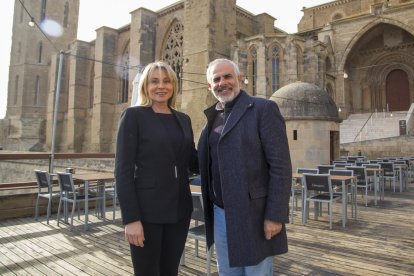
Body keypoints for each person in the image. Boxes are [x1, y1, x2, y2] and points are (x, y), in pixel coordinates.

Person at [198, 58, 292, 275]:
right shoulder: (212, 117)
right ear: (210, 86)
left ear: (240, 79)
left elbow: (280, 167)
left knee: (256, 272)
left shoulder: (263, 109)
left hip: (254, 215)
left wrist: (275, 215)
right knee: (228, 272)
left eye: (227, 76)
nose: (222, 82)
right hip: (220, 213)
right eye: (216, 79)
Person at [115, 61, 198, 276]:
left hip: (179, 210)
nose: (161, 86)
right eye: (154, 81)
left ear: (173, 85)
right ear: (145, 86)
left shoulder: (183, 119)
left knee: (170, 271)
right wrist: (131, 219)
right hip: (146, 213)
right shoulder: (133, 116)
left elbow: (193, 161)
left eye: (166, 81)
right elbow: (122, 171)